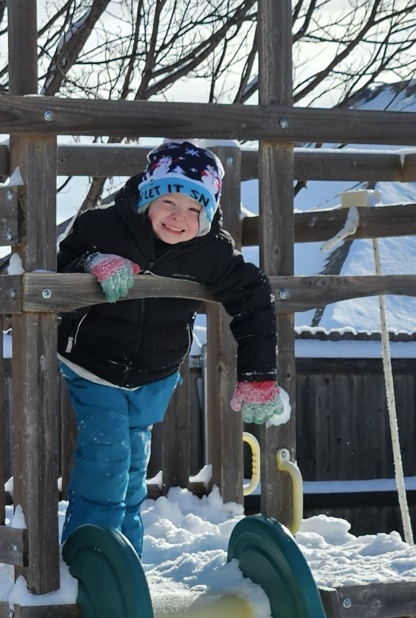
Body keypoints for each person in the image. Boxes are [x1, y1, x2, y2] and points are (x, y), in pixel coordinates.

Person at [57, 140, 285, 556]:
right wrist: (94, 263)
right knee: (107, 456)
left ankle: (125, 558)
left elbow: (253, 297)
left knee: (130, 470)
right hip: (93, 362)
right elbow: (60, 262)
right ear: (148, 198)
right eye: (169, 201)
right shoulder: (105, 226)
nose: (180, 217)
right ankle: (88, 555)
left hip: (155, 374)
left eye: (195, 209)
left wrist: (258, 376)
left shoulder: (210, 251)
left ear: (208, 216)